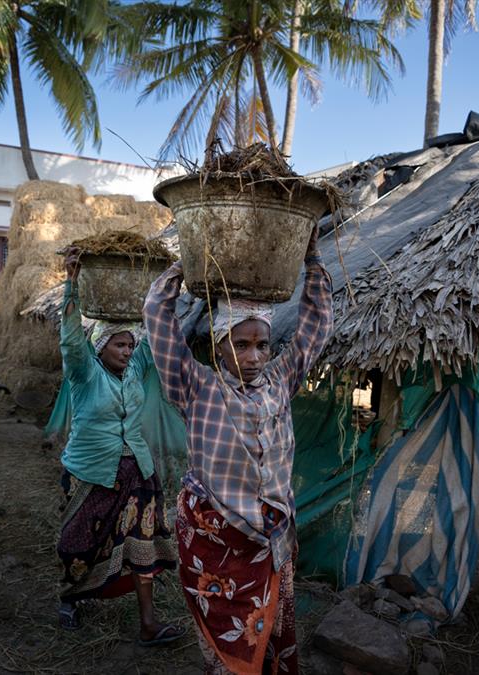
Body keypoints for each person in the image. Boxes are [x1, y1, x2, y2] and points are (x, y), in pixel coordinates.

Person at [143, 227, 333, 674]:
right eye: (241, 344)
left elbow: (316, 326)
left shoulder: (282, 381)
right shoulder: (197, 387)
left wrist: (312, 260)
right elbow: (156, 316)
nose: (253, 356)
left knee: (268, 635)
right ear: (219, 346)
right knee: (229, 650)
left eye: (262, 344)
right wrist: (185, 264)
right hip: (217, 541)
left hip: (270, 539)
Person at [54, 246, 183, 646]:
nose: (128, 352)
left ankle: (148, 624)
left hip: (138, 473)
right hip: (91, 473)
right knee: (79, 545)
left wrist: (171, 282)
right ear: (102, 346)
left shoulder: (136, 368)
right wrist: (72, 286)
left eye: (130, 346)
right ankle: (71, 597)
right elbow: (71, 338)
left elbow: (155, 333)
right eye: (120, 346)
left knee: (142, 546)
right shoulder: (84, 373)